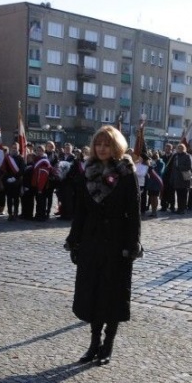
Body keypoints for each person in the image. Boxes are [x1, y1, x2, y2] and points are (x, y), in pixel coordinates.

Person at [65, 125, 141, 366]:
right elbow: (81, 211)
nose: (102, 148)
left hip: (117, 242)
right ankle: (94, 342)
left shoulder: (127, 173)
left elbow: (134, 212)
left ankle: (108, 344)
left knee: (113, 294)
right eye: (98, 144)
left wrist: (133, 244)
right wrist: (74, 239)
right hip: (91, 241)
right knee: (93, 294)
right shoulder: (88, 171)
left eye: (107, 144)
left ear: (116, 146)